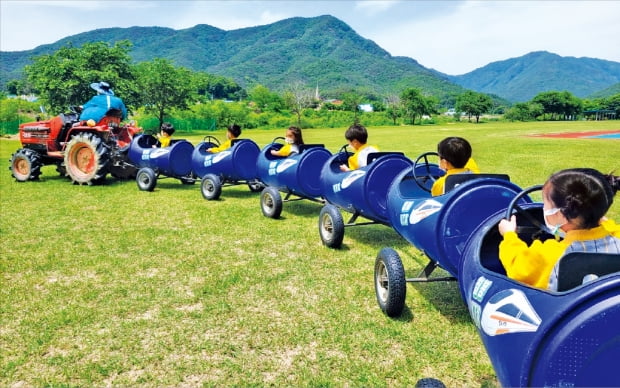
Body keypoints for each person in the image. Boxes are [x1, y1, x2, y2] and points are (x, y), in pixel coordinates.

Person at [498, 168, 620, 291]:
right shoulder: (617, 235)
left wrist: (509, 235)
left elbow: (517, 267)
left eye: (545, 205)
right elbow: (612, 227)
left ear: (561, 214)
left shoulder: (547, 255)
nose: (544, 209)